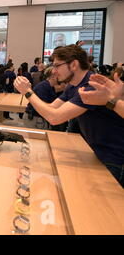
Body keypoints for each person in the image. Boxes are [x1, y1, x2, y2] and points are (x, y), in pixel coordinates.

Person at [14, 45, 124, 187]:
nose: (54, 71)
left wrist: (27, 92)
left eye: (57, 66)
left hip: (113, 157)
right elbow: (52, 108)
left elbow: (55, 118)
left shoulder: (90, 85)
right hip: (98, 152)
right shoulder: (73, 85)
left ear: (73, 65)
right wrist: (30, 92)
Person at [26, 66, 66, 130]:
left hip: (39, 119)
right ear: (53, 76)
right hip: (35, 119)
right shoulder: (43, 87)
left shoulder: (50, 87)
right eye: (58, 75)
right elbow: (41, 106)